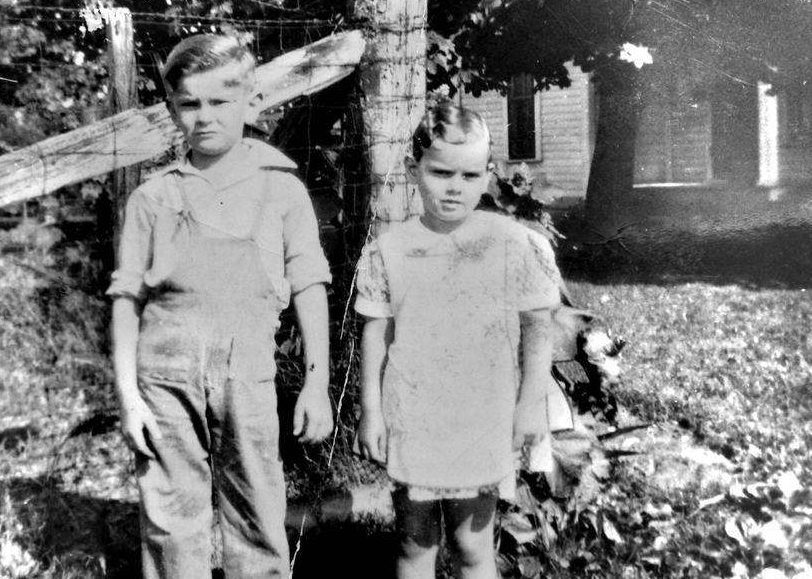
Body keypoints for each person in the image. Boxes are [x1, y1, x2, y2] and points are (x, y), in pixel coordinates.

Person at [108, 33, 334, 579]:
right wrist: (128, 395)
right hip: (165, 373)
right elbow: (126, 297)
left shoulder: (281, 189)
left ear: (250, 100)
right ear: (172, 109)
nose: (204, 117)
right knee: (171, 516)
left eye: (220, 102)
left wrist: (316, 382)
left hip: (246, 371)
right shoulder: (152, 198)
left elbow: (309, 283)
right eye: (189, 104)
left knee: (257, 506)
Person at [354, 101, 562, 579]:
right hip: (414, 416)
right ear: (413, 169)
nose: (454, 187)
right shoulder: (391, 250)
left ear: (489, 174)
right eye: (441, 172)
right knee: (413, 544)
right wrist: (371, 409)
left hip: (482, 416)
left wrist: (531, 405)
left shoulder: (510, 242)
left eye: (469, 176)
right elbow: (375, 333)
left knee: (472, 546)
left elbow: (538, 328)